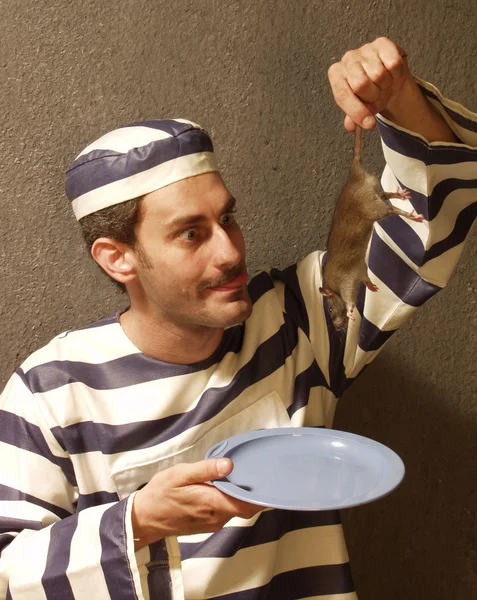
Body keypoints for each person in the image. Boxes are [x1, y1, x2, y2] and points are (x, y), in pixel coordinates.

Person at [0, 36, 475, 600]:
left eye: (228, 218)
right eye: (191, 234)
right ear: (116, 257)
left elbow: (431, 221)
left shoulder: (300, 321)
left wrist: (398, 97)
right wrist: (139, 521)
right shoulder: (51, 392)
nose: (229, 252)